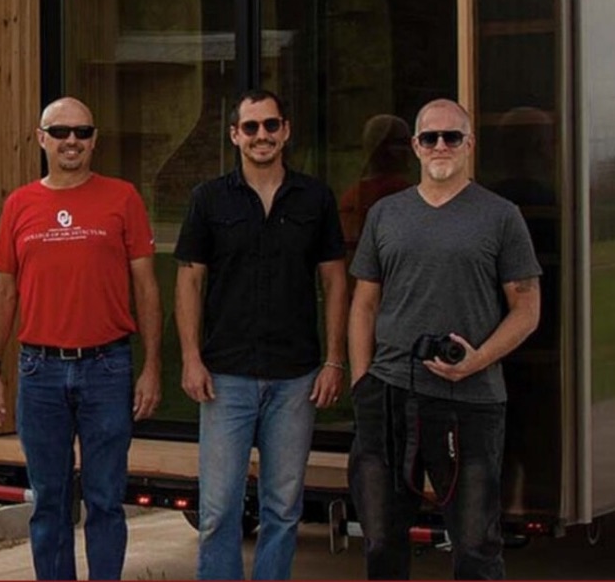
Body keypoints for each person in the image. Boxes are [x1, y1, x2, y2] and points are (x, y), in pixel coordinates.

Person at [347, 98, 541, 580]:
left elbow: (527, 309)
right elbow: (363, 304)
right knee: (381, 541)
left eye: (451, 136)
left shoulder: (501, 216)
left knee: (475, 545)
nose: (440, 146)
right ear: (415, 146)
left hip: (470, 403)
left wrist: (477, 360)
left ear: (469, 144)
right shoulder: (385, 214)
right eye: (429, 137)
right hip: (388, 397)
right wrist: (361, 382)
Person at [0, 96, 162, 581]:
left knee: (105, 499)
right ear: (42, 139)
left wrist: (152, 367)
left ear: (95, 139)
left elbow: (146, 287)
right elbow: (3, 290)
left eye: (82, 132)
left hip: (107, 368)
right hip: (40, 372)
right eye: (60, 132)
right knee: (50, 502)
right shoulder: (19, 204)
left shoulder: (123, 198)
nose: (72, 141)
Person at [174, 88, 348, 580]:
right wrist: (190, 358)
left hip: (296, 377)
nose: (261, 135)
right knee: (217, 511)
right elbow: (189, 281)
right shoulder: (208, 199)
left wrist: (334, 360)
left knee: (283, 509)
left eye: (271, 125)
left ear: (285, 131)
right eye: (250, 127)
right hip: (225, 377)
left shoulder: (315, 198)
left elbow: (335, 281)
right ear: (235, 135)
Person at [338, 113, 412, 259]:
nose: (407, 150)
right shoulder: (401, 193)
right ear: (381, 147)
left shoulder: (351, 195)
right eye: (399, 143)